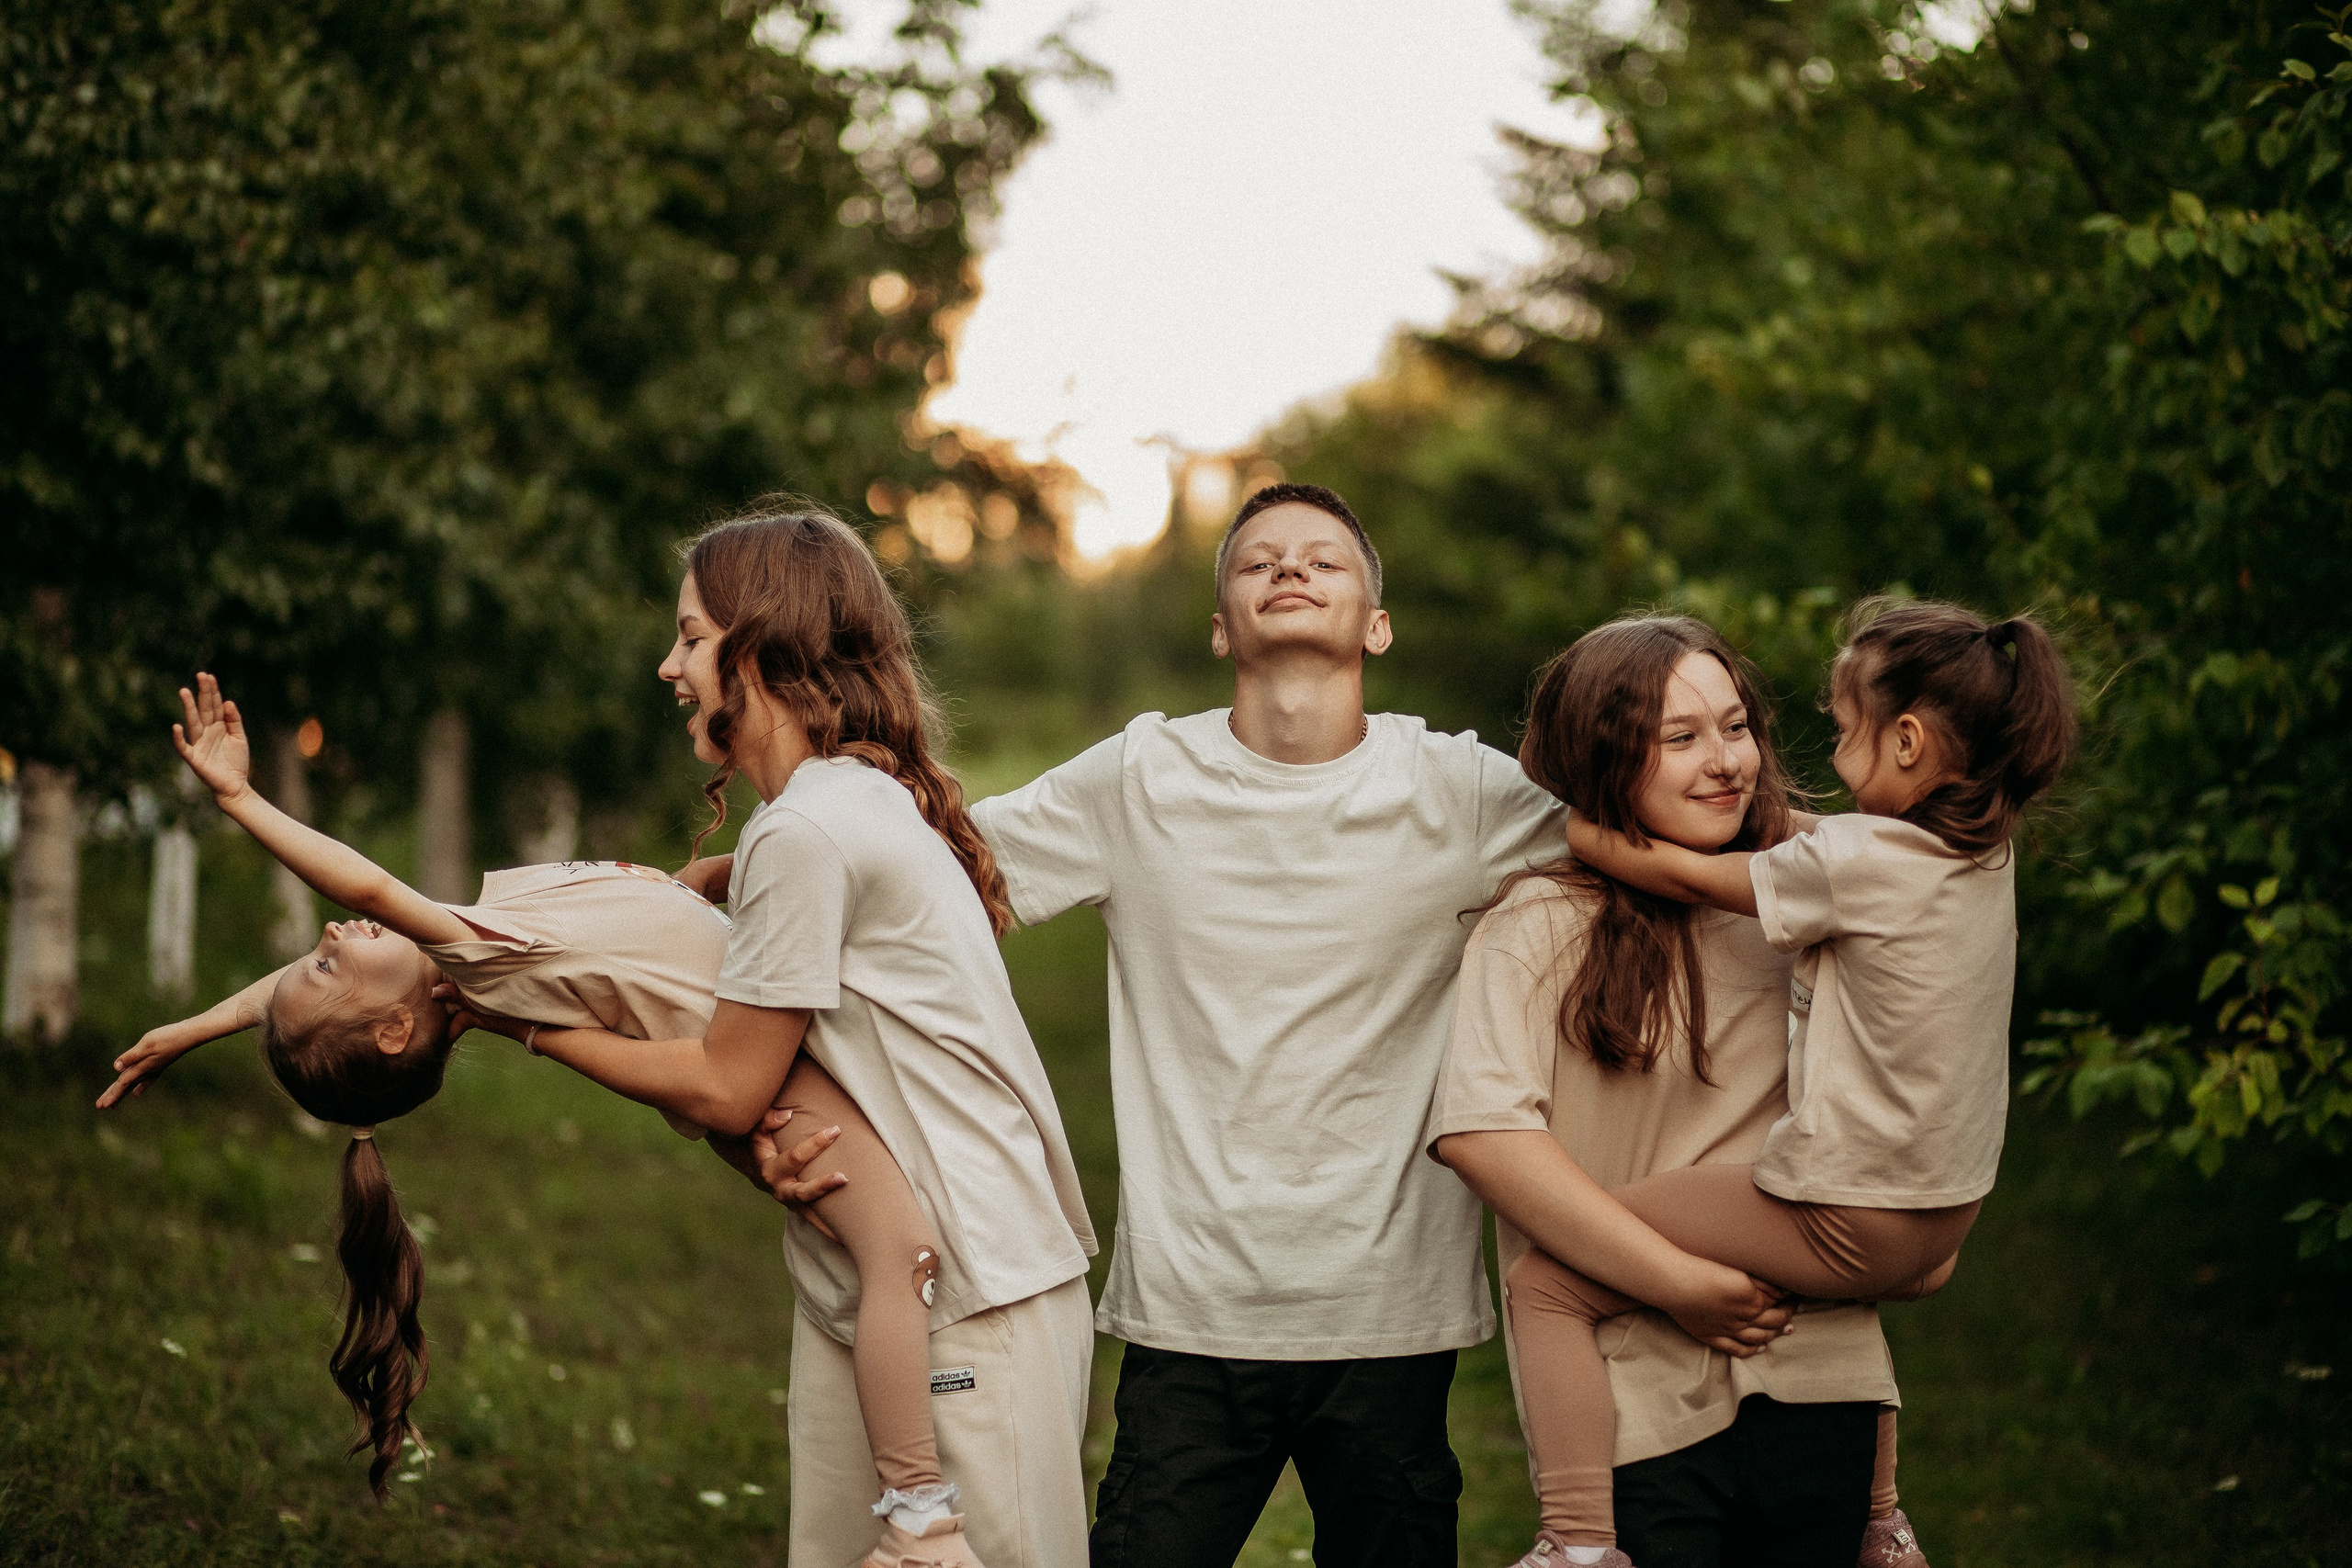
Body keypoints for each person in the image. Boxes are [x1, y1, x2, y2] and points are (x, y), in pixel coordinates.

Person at [462, 505, 1101, 1568]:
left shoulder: (806, 829)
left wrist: (526, 1023)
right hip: (882, 1284)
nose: (670, 667)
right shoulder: (845, 803)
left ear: (760, 648)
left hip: (968, 1294)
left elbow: (727, 1087)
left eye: (690, 638)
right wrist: (723, 876)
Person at [968, 482, 1566, 1568]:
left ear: (1377, 626)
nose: (1290, 569)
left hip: (1390, 1314)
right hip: (1191, 1312)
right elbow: (936, 869)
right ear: (1219, 629)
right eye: (1259, 561)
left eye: (1323, 560)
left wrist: (1837, 870)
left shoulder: (1461, 789)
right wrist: (755, 867)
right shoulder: (1137, 778)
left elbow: (1645, 846)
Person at [1487, 600, 2075, 1568]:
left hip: (1851, 1206)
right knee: (1831, 1292)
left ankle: (1578, 1542)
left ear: (1908, 742)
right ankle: (1883, 1518)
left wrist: (1588, 834)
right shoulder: (1978, 856)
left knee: (1549, 1281)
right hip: (1943, 1207)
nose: (1819, 752)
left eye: (1842, 730)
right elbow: (1815, 844)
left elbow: (1695, 877)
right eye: (1682, 736)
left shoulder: (1848, 866)